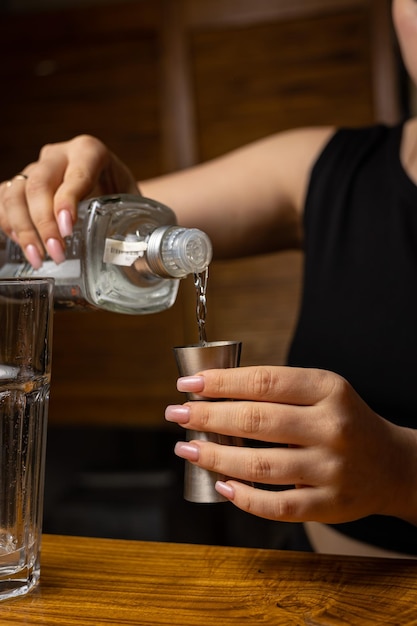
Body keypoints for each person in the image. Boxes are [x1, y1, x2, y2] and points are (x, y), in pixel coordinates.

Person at [1, 0, 417, 558]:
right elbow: (127, 238)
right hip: (309, 583)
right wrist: (57, 203)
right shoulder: (321, 167)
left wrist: (403, 470)